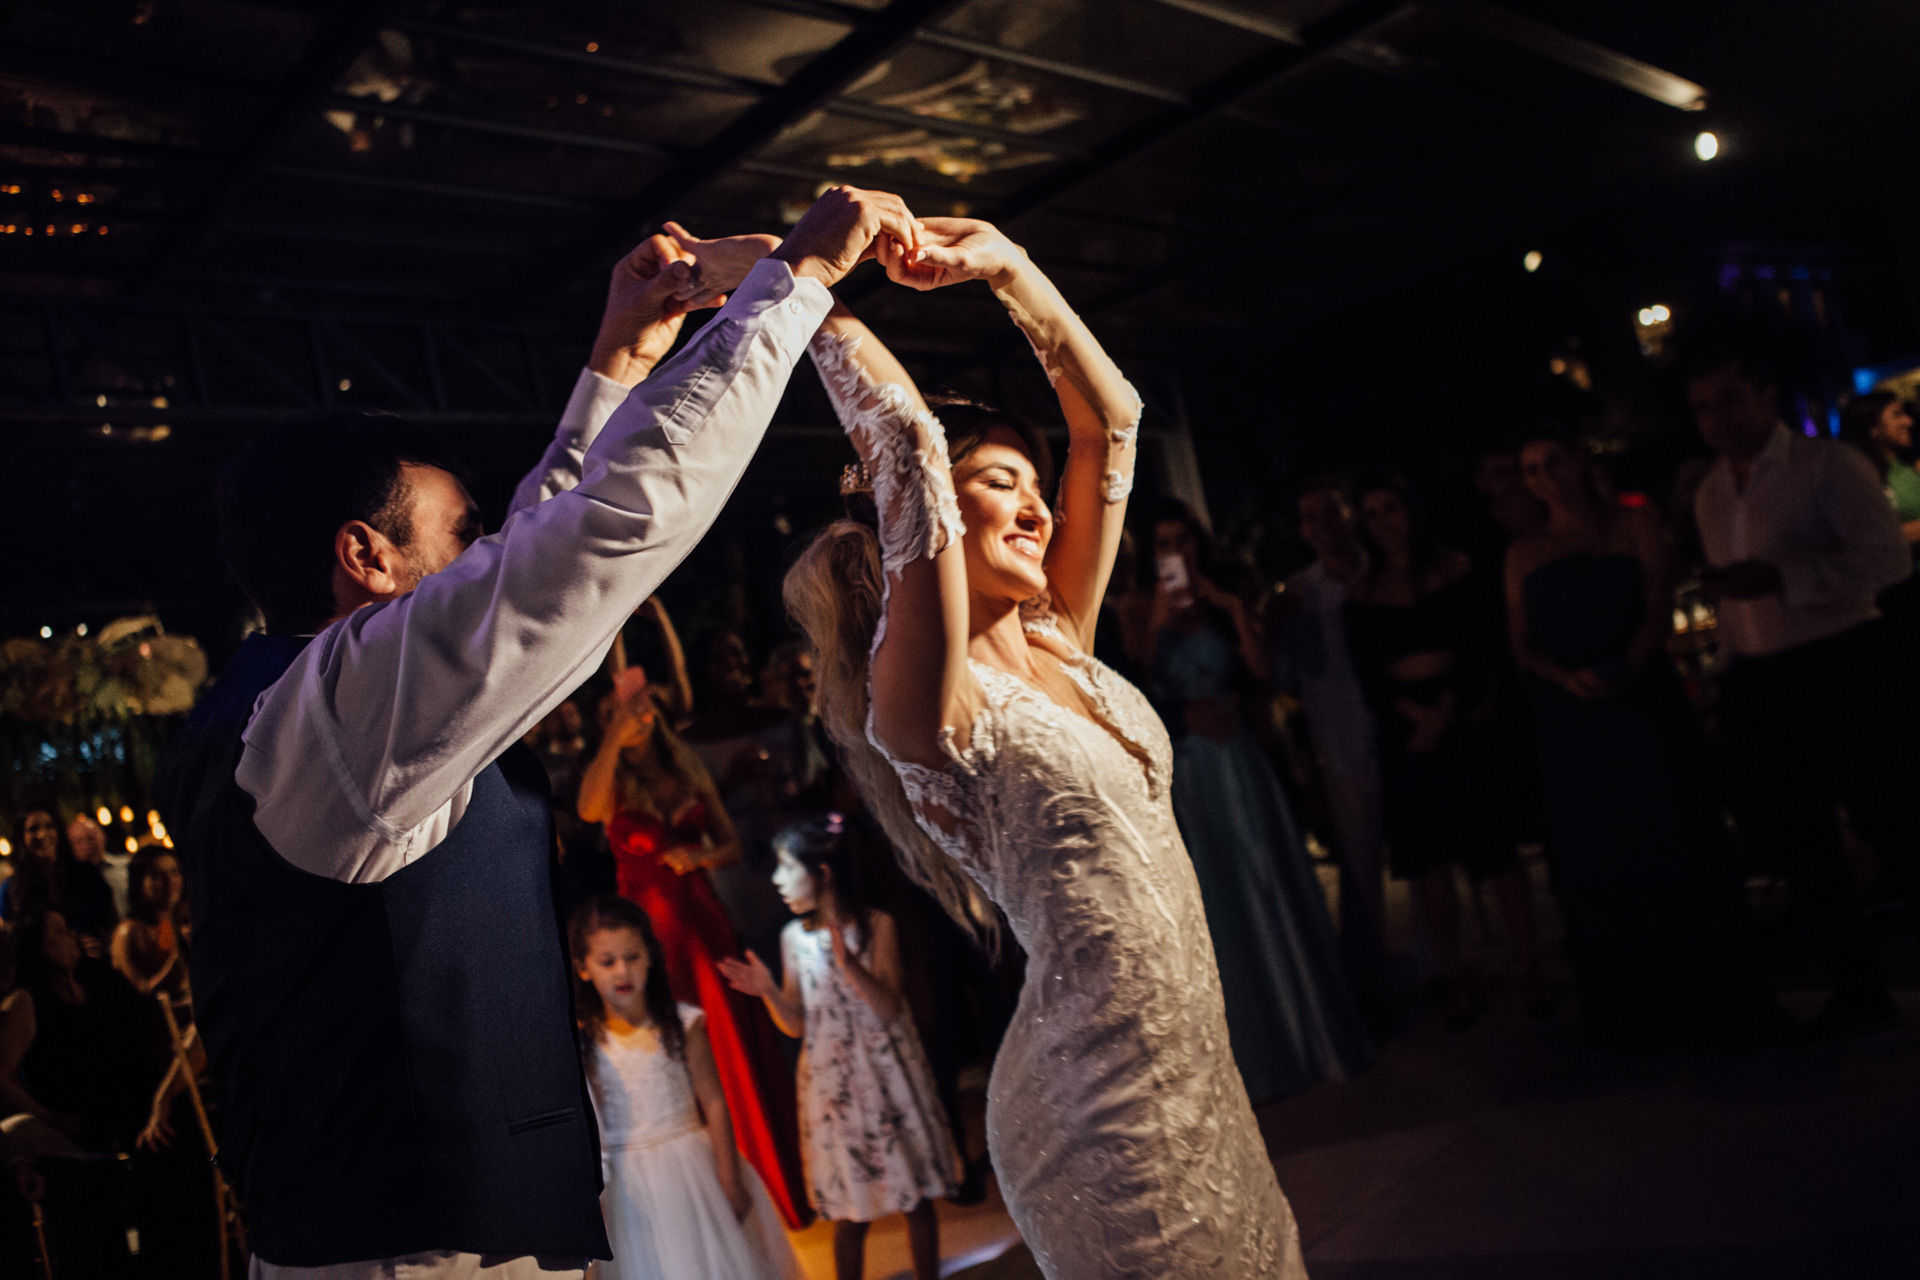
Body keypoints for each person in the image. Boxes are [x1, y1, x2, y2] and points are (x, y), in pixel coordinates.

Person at [151, 185, 923, 1278]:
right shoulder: (328, 712)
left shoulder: (335, 705)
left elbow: (534, 552)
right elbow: (586, 547)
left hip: (463, 1233)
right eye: (453, 537)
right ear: (365, 556)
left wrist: (616, 361)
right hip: (406, 1252)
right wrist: (791, 281)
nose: (481, 558)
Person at [783, 217, 1304, 1277]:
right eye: (999, 482)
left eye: (1033, 480)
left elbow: (1111, 421)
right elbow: (907, 445)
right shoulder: (926, 701)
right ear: (923, 518)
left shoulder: (1061, 631)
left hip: (1200, 1075)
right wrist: (789, 286)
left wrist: (1014, 270)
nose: (1032, 502)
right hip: (1096, 1110)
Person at [1506, 434, 1773, 1048]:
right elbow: (1520, 640)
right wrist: (1562, 677)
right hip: (1574, 719)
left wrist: (1626, 665)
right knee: (1603, 849)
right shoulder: (1522, 551)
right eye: (1530, 468)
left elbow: (1658, 605)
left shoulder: (1634, 522)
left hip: (1642, 699)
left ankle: (1711, 992)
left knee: (1672, 829)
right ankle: (1634, 1006)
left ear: (1579, 461)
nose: (1543, 475)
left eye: (1553, 460)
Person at [1688, 338, 1911, 1038]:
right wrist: (1728, 671)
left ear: (1766, 397)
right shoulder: (1712, 491)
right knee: (1802, 842)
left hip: (1840, 664)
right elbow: (1732, 597)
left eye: (1729, 399)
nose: (1716, 418)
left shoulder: (1826, 466)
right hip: (1762, 681)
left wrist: (1787, 578)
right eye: (1702, 408)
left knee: (1893, 818)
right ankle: (1858, 987)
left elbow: (1888, 559)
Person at [1145, 500, 1369, 1102]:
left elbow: (1264, 672)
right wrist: (1159, 624)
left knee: (1267, 878)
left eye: (1185, 539)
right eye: (1165, 542)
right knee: (1217, 899)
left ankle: (1309, 1031)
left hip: (1239, 756)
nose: (1178, 553)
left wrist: (1233, 610)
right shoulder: (1140, 608)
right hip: (1188, 769)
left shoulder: (1227, 598)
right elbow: (1134, 684)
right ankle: (1252, 1047)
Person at [576, 671, 807, 1228]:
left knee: (723, 1046)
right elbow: (586, 811)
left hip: (701, 921)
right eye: (617, 712)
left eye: (638, 707)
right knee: (670, 1046)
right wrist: (611, 736)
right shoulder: (612, 785)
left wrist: (701, 859)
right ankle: (693, 1189)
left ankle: (758, 1179)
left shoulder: (686, 767)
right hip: (646, 938)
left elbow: (729, 844)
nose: (634, 716)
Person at [721, 816, 957, 1280]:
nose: (776, 880)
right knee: (849, 1213)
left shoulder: (877, 925)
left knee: (915, 1197)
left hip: (886, 1074)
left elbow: (889, 1009)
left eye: (787, 867)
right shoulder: (793, 939)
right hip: (834, 1087)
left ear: (823, 873)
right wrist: (770, 991)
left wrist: (850, 965)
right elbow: (796, 1025)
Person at [1346, 478, 1545, 1028]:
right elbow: (1371, 680)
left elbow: (1481, 647)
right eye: (1372, 513)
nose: (1384, 521)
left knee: (1495, 851)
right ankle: (1454, 973)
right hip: (1410, 737)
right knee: (1431, 862)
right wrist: (1418, 718)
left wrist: (1448, 710)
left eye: (1391, 506)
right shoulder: (1361, 597)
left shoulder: (1456, 570)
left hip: (1464, 725)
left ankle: (1530, 964)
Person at [569, 896, 798, 1280]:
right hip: (629, 1185)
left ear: (650, 957)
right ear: (584, 969)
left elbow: (714, 1102)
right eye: (607, 962)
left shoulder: (681, 1023)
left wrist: (728, 1174)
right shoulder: (586, 1042)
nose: (622, 971)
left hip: (692, 1169)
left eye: (633, 956)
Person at [1272, 481, 1391, 1001]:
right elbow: (1284, 677)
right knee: (1361, 866)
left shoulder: (1383, 572)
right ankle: (1367, 981)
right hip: (1340, 738)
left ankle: (1438, 965)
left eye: (1330, 515)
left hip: (1400, 729)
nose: (1322, 528)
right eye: (1311, 519)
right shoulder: (1299, 594)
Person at [0, 810, 116, 953]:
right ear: (21, 838)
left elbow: (112, 922)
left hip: (94, 964)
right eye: (33, 829)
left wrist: (103, 944)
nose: (43, 834)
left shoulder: (86, 874)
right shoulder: (12, 889)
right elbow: (9, 941)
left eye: (49, 826)